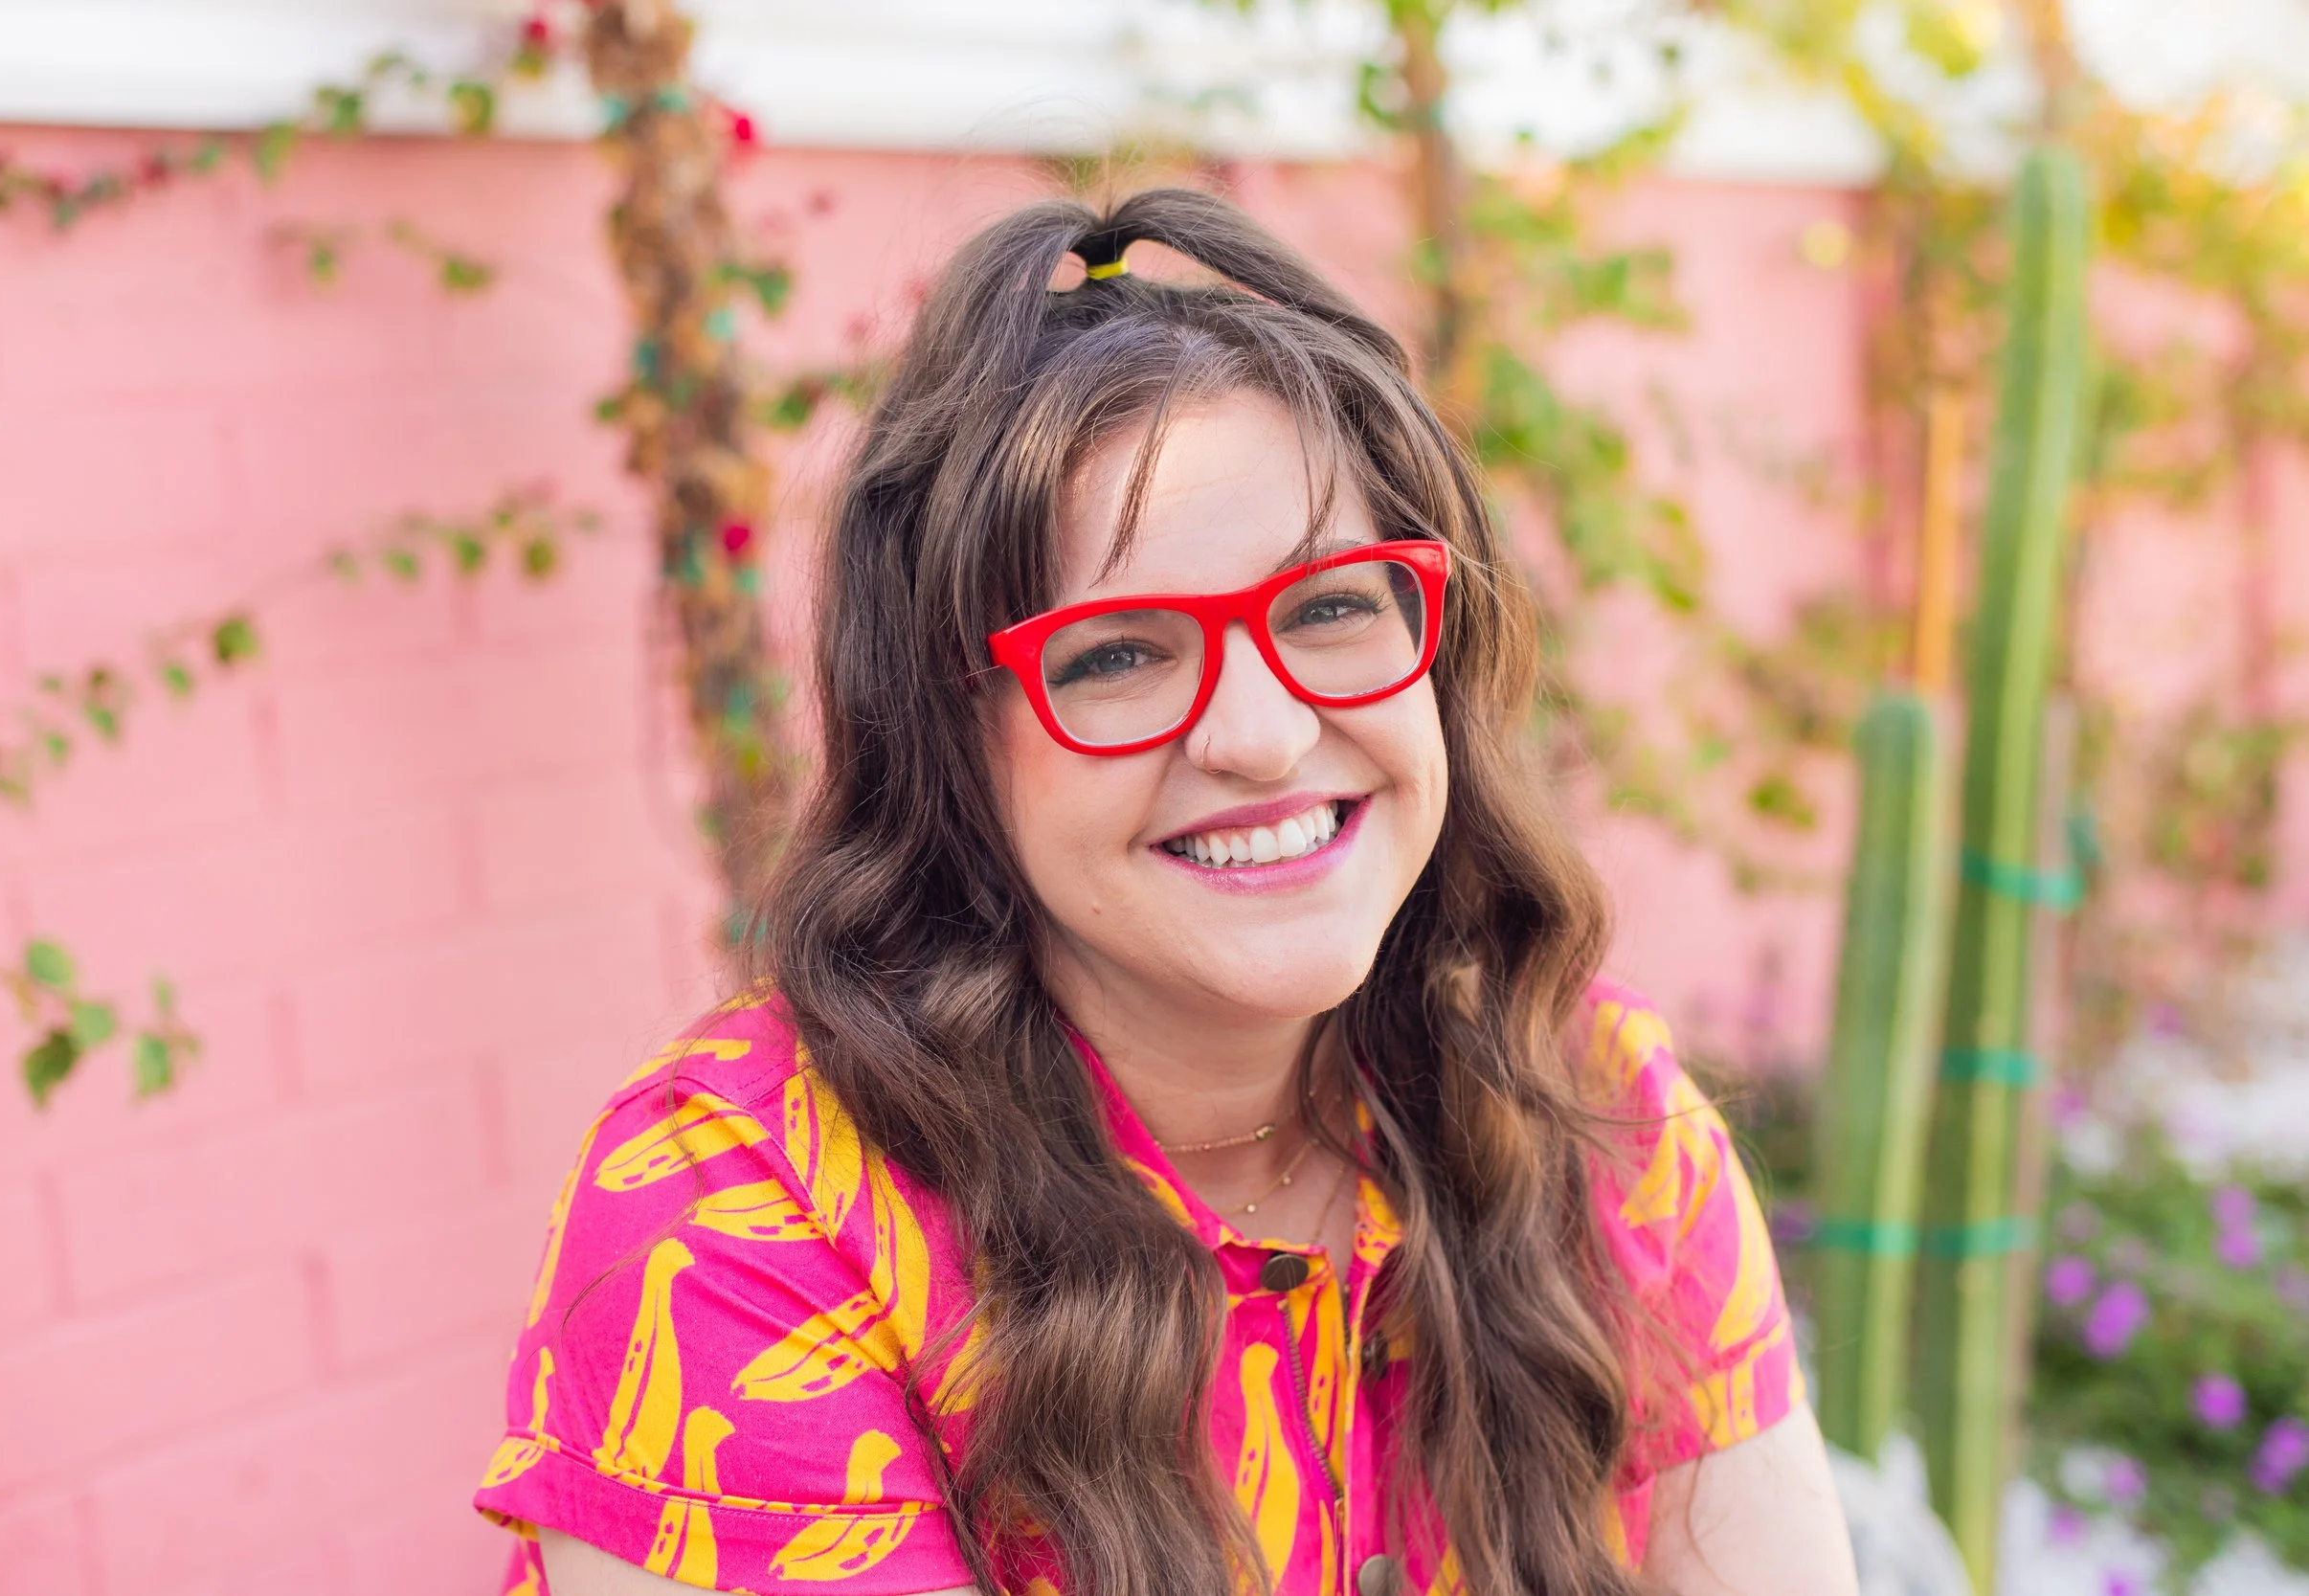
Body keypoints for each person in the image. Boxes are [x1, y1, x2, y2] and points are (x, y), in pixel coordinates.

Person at [473, 188, 1858, 1596]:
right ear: (952, 743)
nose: (1257, 733)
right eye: (1117, 655)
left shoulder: (1584, 1100)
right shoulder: (743, 1217)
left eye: (1329, 608)